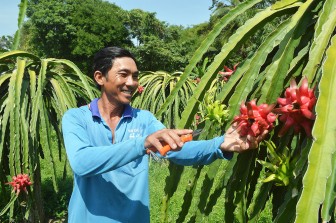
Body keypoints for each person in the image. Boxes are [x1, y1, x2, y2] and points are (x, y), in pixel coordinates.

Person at [61, 46, 265, 222]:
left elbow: (177, 150)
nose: (132, 82)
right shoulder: (76, 118)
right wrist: (142, 144)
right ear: (99, 77)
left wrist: (220, 144)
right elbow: (82, 163)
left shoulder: (144, 120)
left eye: (135, 76)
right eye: (123, 74)